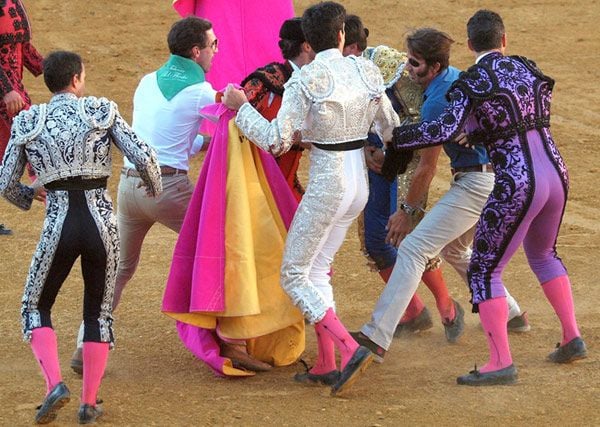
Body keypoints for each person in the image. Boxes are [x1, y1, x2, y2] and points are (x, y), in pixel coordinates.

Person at [392, 11, 587, 385]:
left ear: (469, 45)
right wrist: (483, 133)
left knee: (484, 269)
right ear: (505, 40)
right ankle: (571, 335)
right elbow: (525, 116)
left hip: (516, 181)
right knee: (545, 255)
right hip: (556, 172)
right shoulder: (528, 68)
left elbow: (445, 128)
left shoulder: (473, 80)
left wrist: (398, 138)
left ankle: (500, 362)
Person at [224, 1, 400, 396]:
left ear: (308, 39)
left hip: (327, 184)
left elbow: (276, 140)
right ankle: (325, 363)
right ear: (341, 35)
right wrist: (382, 158)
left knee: (293, 274)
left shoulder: (304, 80)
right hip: (359, 184)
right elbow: (391, 127)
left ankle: (350, 347)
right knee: (318, 268)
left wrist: (240, 110)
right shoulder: (366, 69)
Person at [0, 50, 161, 424]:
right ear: (76, 80)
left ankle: (54, 384)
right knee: (97, 312)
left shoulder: (29, 121)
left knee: (35, 306)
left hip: (58, 222)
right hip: (101, 223)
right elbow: (144, 155)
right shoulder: (99, 111)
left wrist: (30, 194)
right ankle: (88, 403)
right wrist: (153, 184)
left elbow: (6, 182)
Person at [352, 27, 529, 363]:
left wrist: (408, 212)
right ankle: (511, 312)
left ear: (434, 67)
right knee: (457, 249)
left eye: (415, 63)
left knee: (415, 249)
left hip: (478, 183)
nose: (408, 69)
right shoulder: (457, 79)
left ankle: (377, 334)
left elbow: (426, 168)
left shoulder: (435, 101)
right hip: (500, 176)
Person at [161, 17, 312, 377]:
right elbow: (234, 116)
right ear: (307, 47)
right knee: (243, 258)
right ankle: (238, 342)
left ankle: (262, 336)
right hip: (254, 188)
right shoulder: (265, 82)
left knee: (285, 261)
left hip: (283, 186)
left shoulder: (305, 81)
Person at [69, 16, 219, 373]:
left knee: (118, 269)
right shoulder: (201, 92)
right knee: (218, 251)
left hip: (129, 188)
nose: (215, 51)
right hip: (169, 190)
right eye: (213, 45)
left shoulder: (147, 82)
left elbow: (165, 133)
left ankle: (83, 342)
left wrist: (203, 144)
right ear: (196, 52)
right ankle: (228, 337)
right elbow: (234, 117)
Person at [343, 14, 461, 341]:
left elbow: (422, 123)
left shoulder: (389, 63)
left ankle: (446, 305)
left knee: (409, 236)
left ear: (351, 47)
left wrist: (390, 152)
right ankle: (414, 311)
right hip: (373, 162)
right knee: (375, 242)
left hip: (405, 163)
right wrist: (365, 150)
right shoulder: (337, 72)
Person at [241, 17, 315, 201]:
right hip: (256, 184)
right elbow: (235, 129)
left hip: (284, 181)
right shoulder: (263, 83)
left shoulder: (316, 80)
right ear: (307, 46)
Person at [0, 0, 44, 236]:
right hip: (8, 94)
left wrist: (55, 68)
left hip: (13, 93)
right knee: (34, 144)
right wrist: (6, 89)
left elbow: (22, 47)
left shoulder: (12, 2)